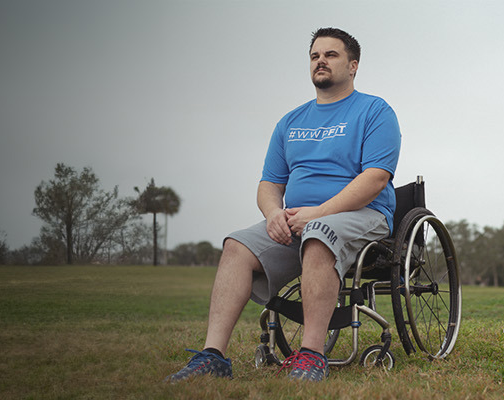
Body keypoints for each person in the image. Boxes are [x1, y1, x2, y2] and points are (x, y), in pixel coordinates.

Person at [166, 27, 400, 382]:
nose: (320, 61)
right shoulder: (290, 122)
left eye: (331, 55)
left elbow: (375, 179)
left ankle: (310, 357)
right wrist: (274, 213)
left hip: (360, 216)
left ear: (353, 66)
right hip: (296, 221)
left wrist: (318, 214)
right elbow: (269, 184)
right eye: (315, 55)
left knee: (320, 232)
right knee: (236, 245)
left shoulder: (375, 111)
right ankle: (212, 356)